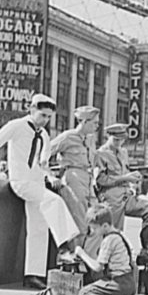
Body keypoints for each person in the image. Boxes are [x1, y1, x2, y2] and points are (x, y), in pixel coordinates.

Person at [0, 94, 81, 289]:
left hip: (37, 184)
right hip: (21, 183)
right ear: (31, 109)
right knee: (55, 201)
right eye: (42, 115)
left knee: (38, 228)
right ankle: (64, 247)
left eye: (49, 117)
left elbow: (42, 163)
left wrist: (49, 177)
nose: (45, 120)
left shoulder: (44, 135)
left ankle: (33, 275)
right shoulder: (16, 126)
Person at [94, 123, 148, 256]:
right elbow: (100, 180)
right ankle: (109, 261)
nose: (119, 143)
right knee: (114, 232)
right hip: (111, 198)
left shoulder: (123, 152)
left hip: (126, 195)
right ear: (108, 136)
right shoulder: (100, 154)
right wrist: (125, 178)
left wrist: (132, 183)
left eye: (122, 139)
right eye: (116, 139)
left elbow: (126, 172)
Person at [68, 206, 141, 295]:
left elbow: (98, 267)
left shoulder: (109, 240)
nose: (92, 231)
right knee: (98, 286)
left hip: (118, 282)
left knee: (83, 294)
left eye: (95, 228)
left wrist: (82, 253)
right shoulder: (120, 235)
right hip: (129, 281)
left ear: (105, 226)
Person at [48, 105, 100, 252]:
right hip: (73, 178)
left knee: (92, 220)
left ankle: (86, 255)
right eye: (94, 123)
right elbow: (44, 153)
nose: (97, 126)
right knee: (78, 220)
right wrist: (49, 175)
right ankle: (75, 258)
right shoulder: (67, 136)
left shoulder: (90, 139)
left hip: (88, 179)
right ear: (84, 122)